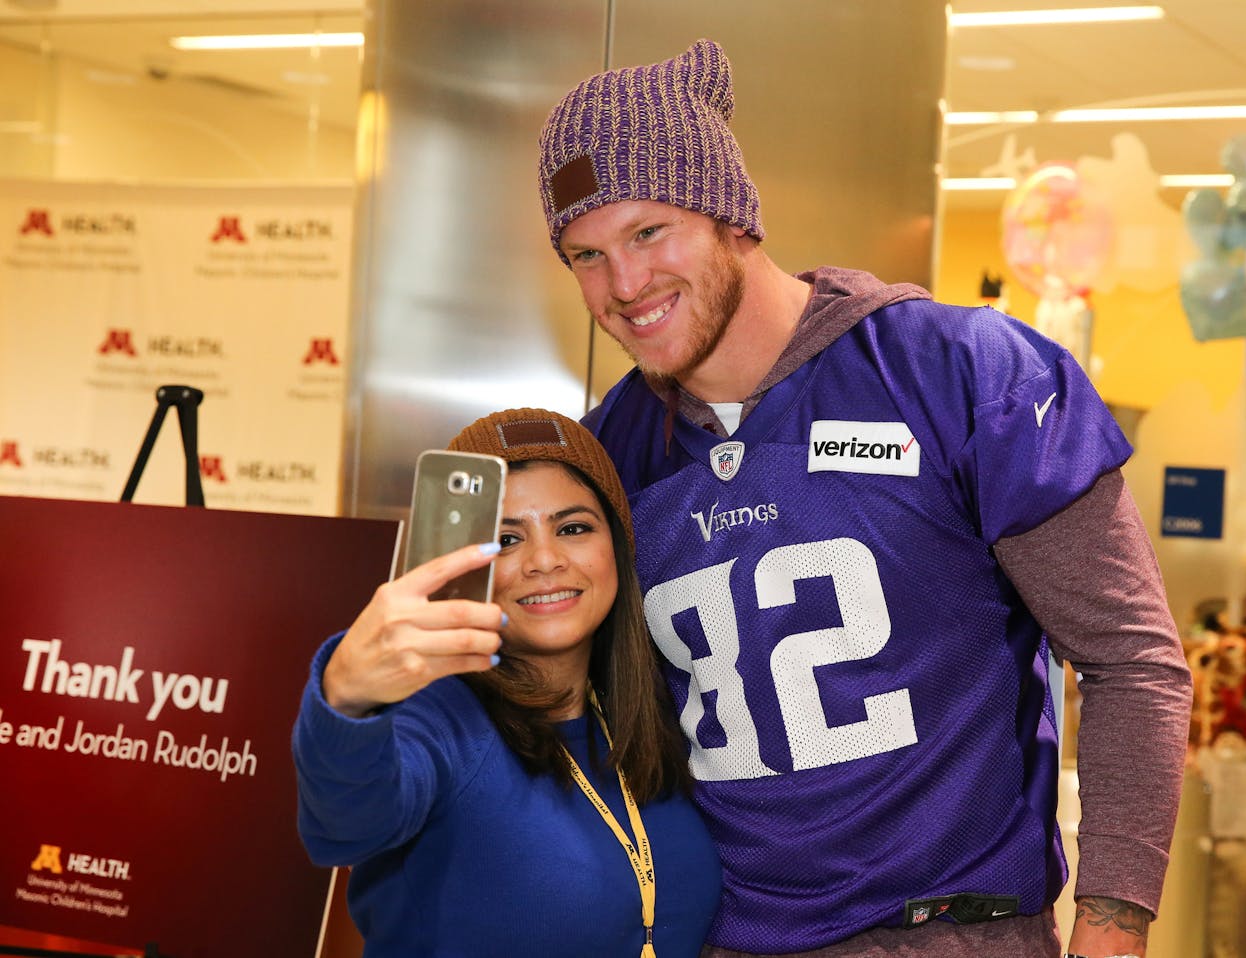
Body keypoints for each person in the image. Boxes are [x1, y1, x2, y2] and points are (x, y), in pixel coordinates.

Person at [535, 39, 1194, 958]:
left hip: (952, 933)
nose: (624, 285)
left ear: (733, 217)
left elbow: (1132, 662)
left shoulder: (960, 374)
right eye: (586, 255)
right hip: (719, 936)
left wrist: (1112, 929)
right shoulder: (611, 451)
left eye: (650, 232)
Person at [292, 408, 722, 957]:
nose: (544, 560)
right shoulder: (438, 714)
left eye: (573, 528)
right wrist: (348, 698)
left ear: (615, 545)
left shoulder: (648, 711)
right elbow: (345, 825)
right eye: (504, 540)